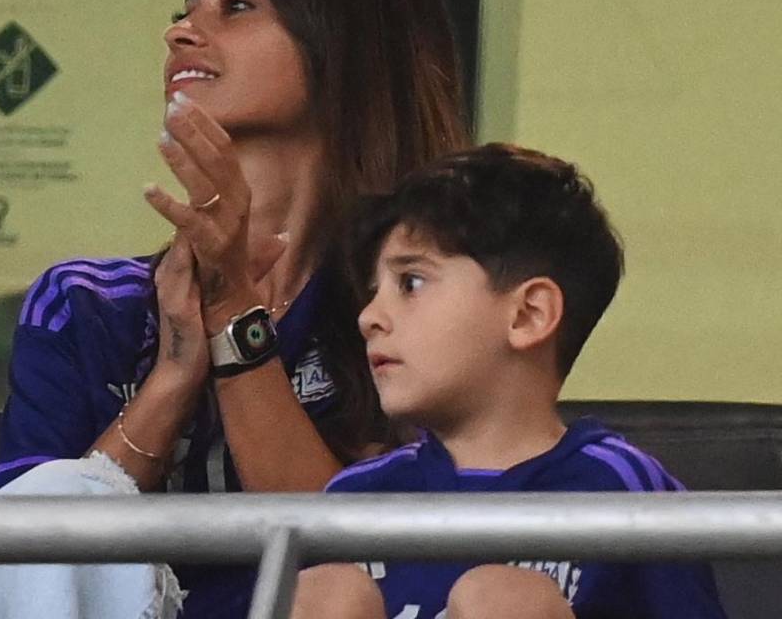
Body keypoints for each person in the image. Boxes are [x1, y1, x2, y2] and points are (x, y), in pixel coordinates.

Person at [0, 0, 468, 619]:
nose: (183, 30)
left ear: (343, 46)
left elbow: (365, 565)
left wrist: (234, 319)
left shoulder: (415, 303)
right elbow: (20, 574)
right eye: (186, 8)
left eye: (238, 5)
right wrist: (172, 376)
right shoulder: (86, 303)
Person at [291, 143, 727, 619]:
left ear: (528, 314)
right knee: (327, 591)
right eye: (374, 292)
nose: (369, 317)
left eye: (411, 283)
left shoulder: (619, 489)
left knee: (500, 600)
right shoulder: (357, 495)